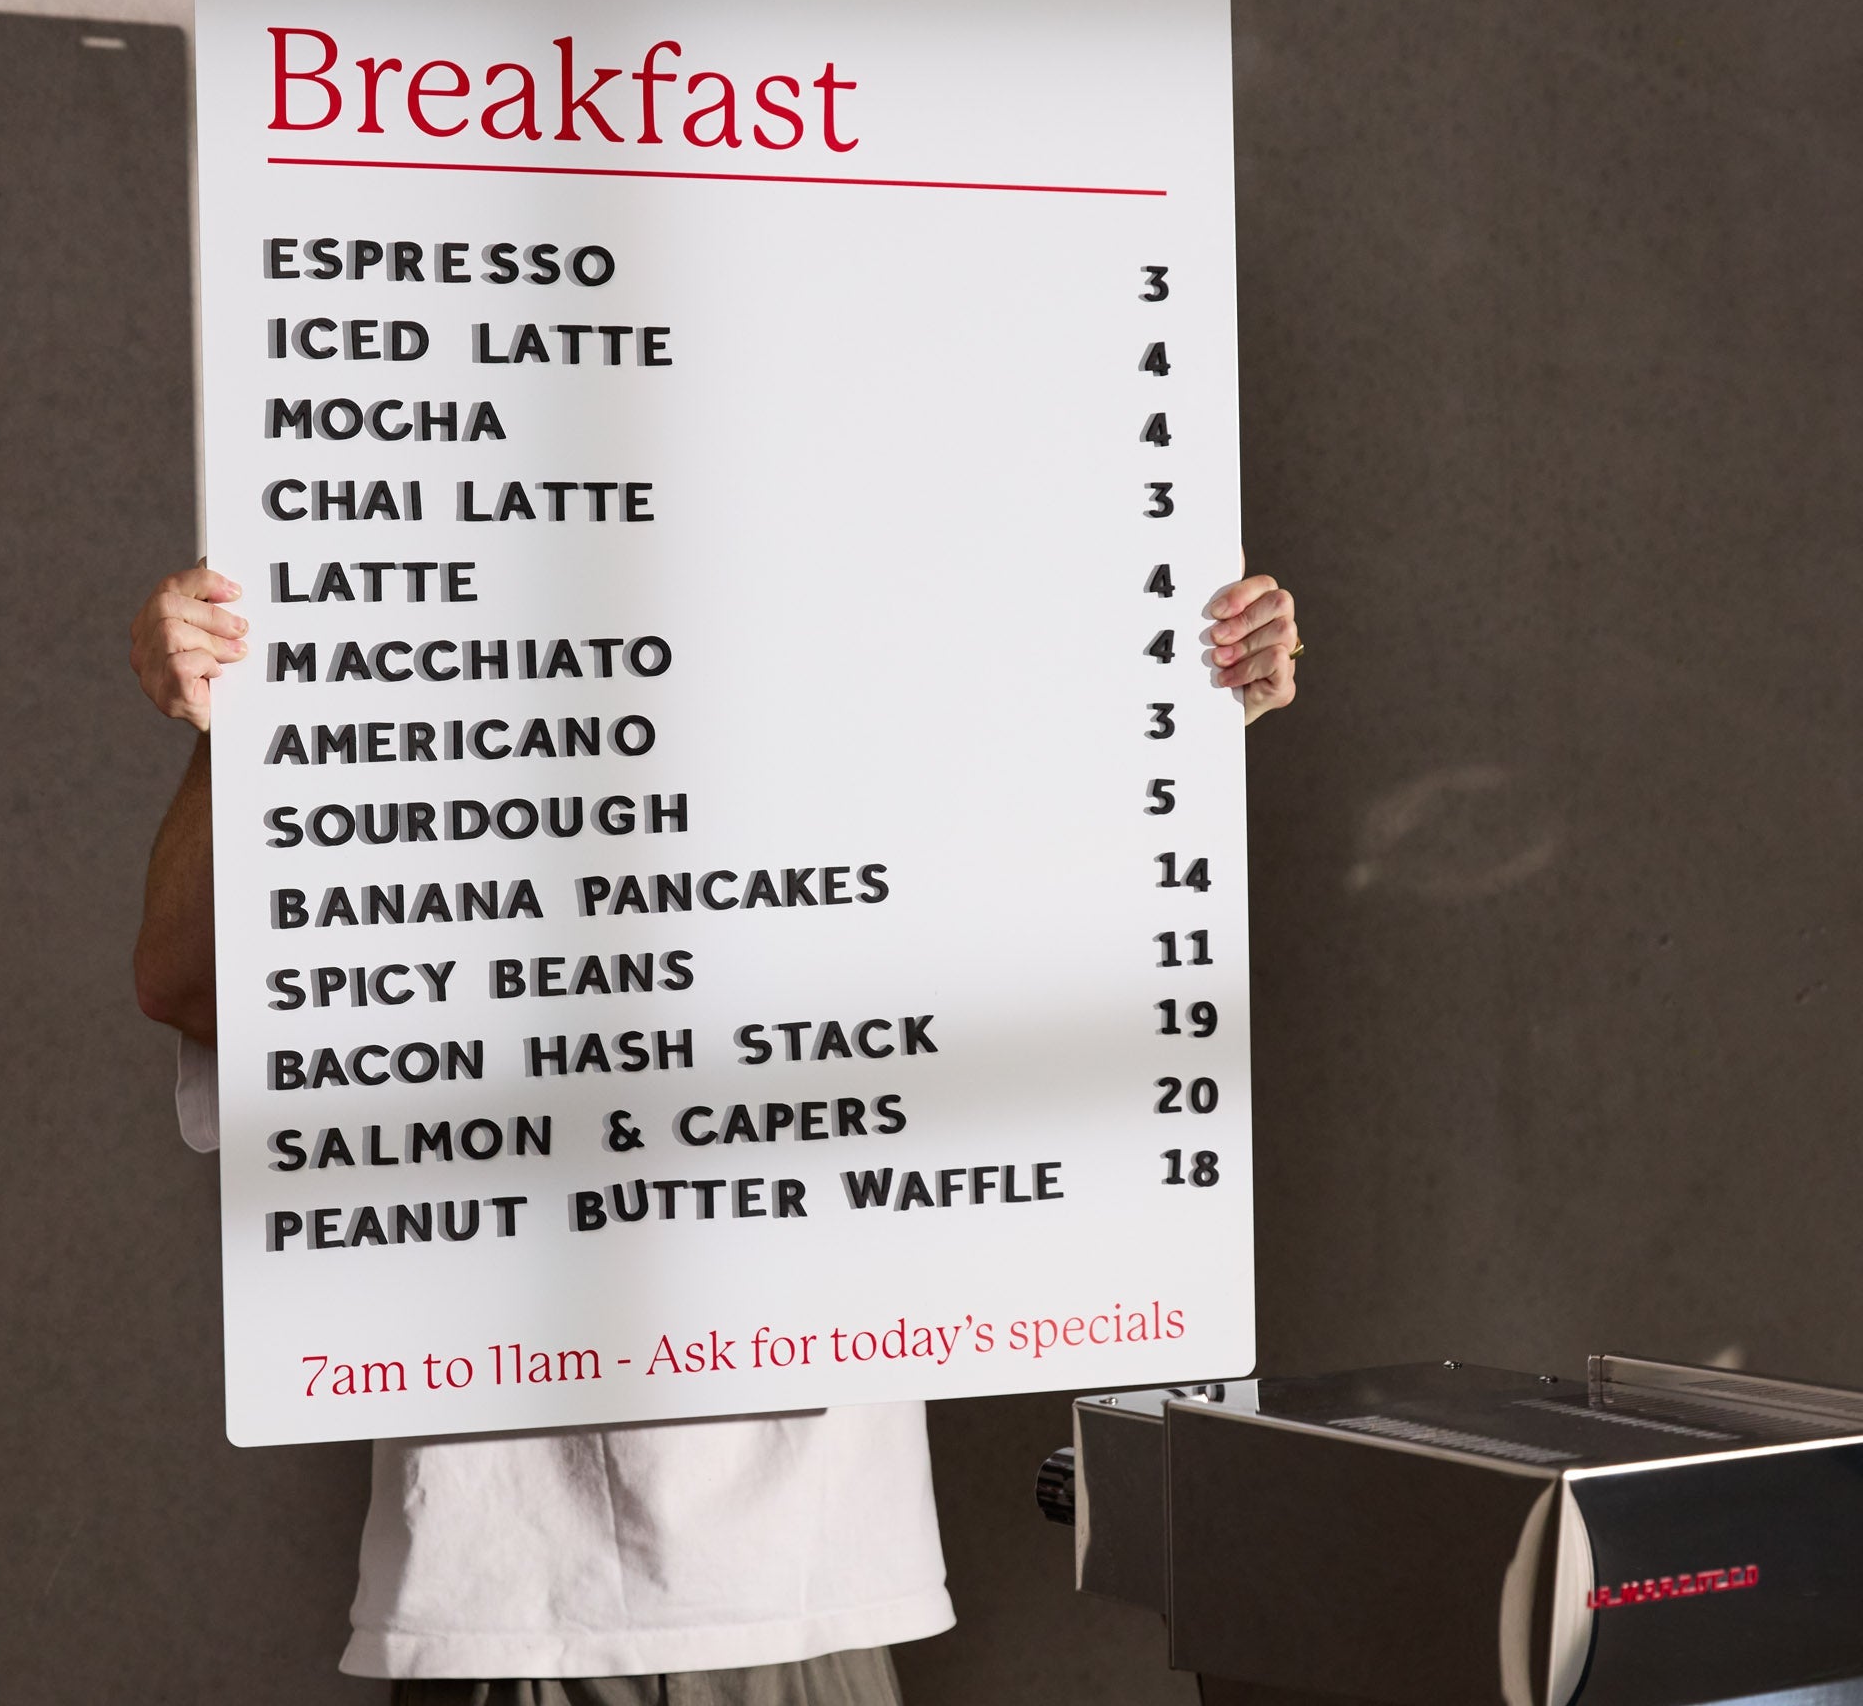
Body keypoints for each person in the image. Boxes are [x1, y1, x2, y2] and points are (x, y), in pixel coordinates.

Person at [130, 563, 1300, 1705]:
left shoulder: (858, 755)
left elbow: (1054, 925)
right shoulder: (429, 767)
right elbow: (191, 984)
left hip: (808, 1587)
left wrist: (1165, 709)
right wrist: (242, 720)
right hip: (513, 1592)